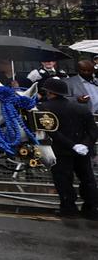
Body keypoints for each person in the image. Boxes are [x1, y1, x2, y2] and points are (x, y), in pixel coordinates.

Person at [38, 78, 98, 219]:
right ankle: (92, 208)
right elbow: (93, 130)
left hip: (60, 150)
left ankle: (69, 208)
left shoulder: (43, 108)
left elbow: (51, 131)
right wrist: (85, 145)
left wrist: (72, 145)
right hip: (83, 151)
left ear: (50, 92)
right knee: (87, 179)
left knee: (63, 180)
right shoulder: (81, 107)